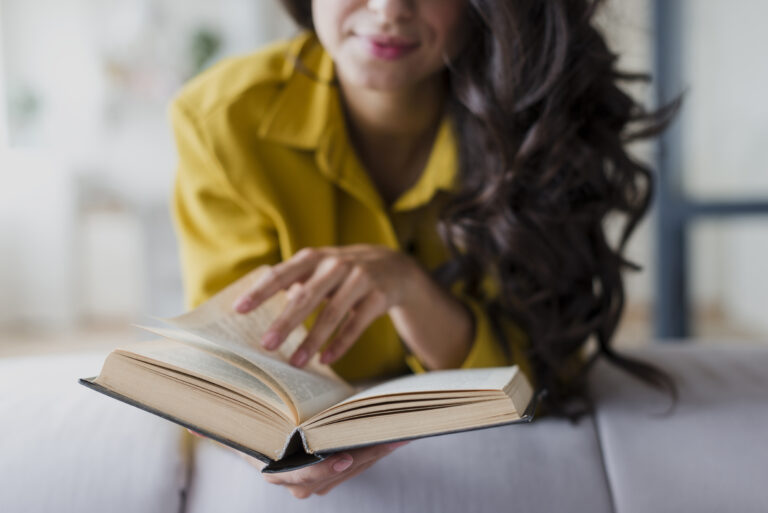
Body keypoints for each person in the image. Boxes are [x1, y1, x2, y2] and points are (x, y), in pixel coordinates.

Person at [170, 0, 677, 499]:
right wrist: (260, 445)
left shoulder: (538, 122)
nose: (389, 10)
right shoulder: (220, 119)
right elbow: (229, 365)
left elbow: (543, 373)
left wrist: (411, 290)